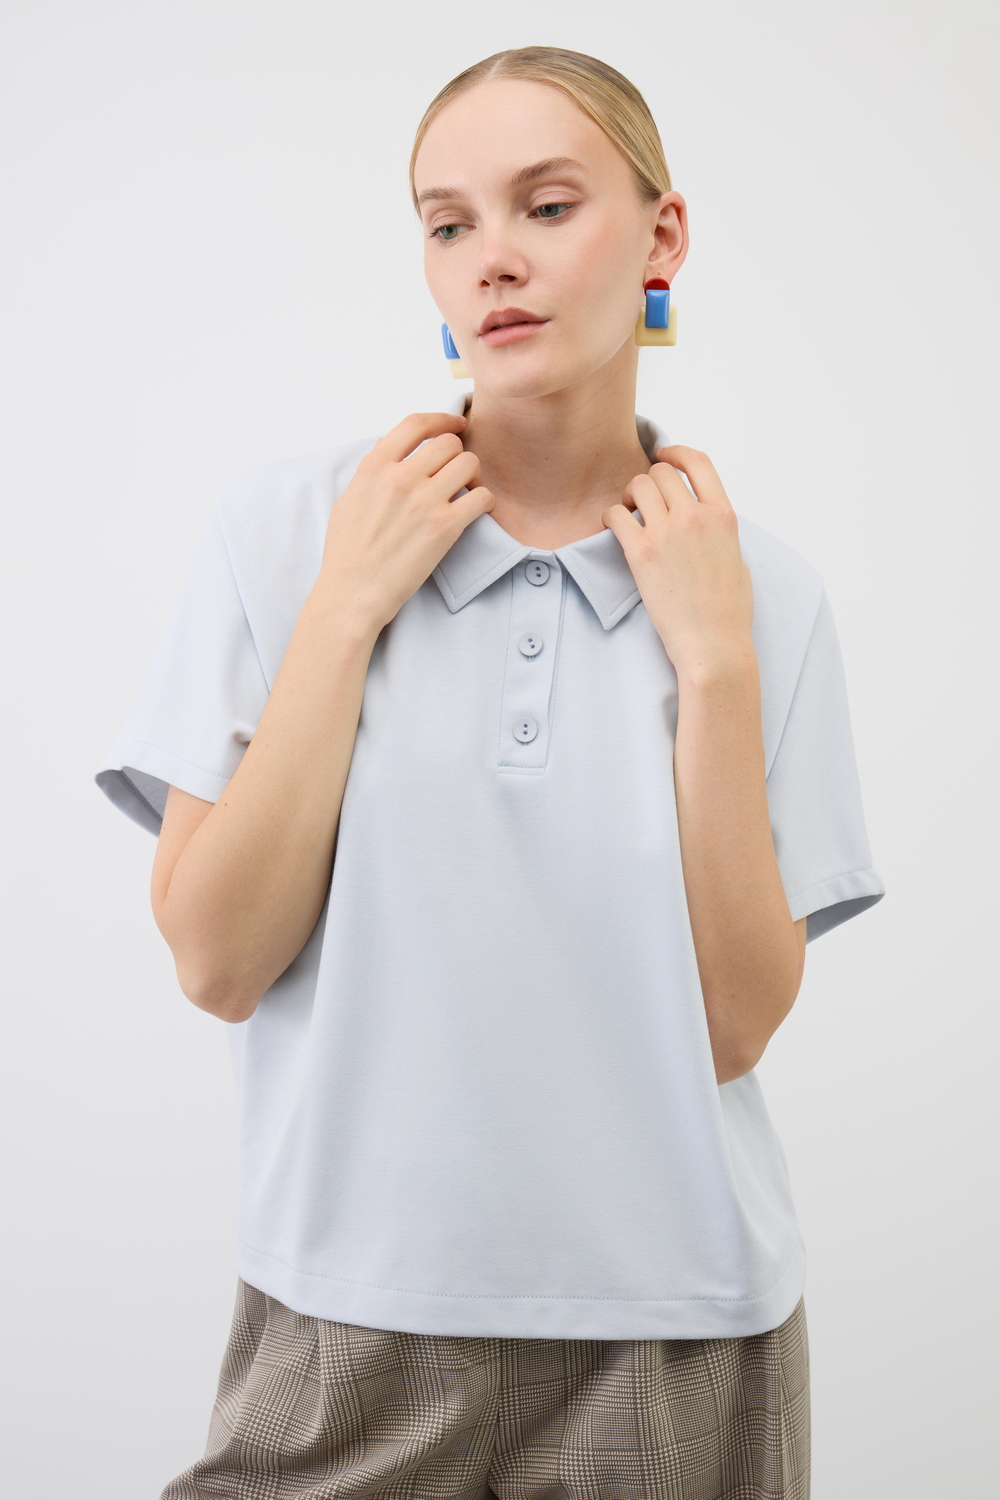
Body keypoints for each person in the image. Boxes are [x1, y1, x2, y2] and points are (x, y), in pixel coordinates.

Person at [96, 45, 884, 1500]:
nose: (491, 260)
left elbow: (730, 1026)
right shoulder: (286, 535)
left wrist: (714, 667)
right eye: (448, 222)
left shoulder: (760, 593)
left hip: (679, 1336)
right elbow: (215, 958)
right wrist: (347, 608)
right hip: (344, 1317)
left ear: (662, 237)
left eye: (547, 206)